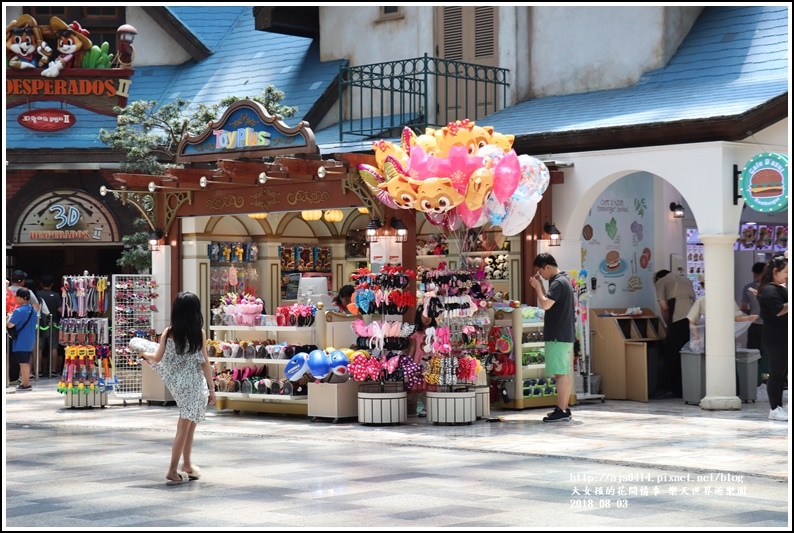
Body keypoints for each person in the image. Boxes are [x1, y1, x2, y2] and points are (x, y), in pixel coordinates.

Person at [131, 291, 217, 484]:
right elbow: (204, 362)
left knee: (187, 425)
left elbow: (158, 358)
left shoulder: (169, 332)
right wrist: (212, 390)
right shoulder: (199, 333)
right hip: (196, 384)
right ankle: (173, 470)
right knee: (187, 426)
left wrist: (145, 353)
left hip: (179, 385)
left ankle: (185, 465)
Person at [528, 253, 576, 422]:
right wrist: (541, 284)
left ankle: (562, 410)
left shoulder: (558, 283)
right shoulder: (564, 281)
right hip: (564, 334)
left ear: (547, 267)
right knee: (564, 373)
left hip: (558, 335)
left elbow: (546, 304)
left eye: (540, 271)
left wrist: (537, 287)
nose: (540, 275)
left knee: (561, 373)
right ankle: (564, 408)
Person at [654, 269, 696, 398]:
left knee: (670, 354)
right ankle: (681, 389)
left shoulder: (661, 282)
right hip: (692, 320)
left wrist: (668, 326)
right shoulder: (686, 279)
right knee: (685, 355)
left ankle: (664, 388)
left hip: (678, 319)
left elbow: (664, 307)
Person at [756, 255, 788, 422]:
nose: (788, 276)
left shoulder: (779, 288)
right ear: (775, 271)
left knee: (782, 374)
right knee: (777, 374)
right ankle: (775, 408)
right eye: (786, 272)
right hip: (776, 338)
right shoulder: (769, 290)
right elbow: (779, 310)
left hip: (783, 336)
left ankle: (780, 407)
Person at [407, 304, 437, 417]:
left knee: (431, 384)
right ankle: (424, 406)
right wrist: (409, 360)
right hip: (419, 361)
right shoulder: (416, 333)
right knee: (419, 385)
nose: (427, 318)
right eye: (424, 316)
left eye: (429, 316)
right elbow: (413, 347)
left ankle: (431, 407)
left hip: (432, 360)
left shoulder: (435, 332)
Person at [7, 288, 39, 391]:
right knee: (26, 361)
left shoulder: (19, 310)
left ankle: (25, 384)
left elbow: (10, 324)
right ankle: (26, 382)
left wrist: (8, 318)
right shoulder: (33, 310)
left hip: (21, 340)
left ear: (21, 298)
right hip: (29, 339)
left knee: (23, 363)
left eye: (17, 296)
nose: (15, 298)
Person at [741, 262, 767, 384]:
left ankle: (754, 379)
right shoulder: (772, 287)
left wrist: (752, 314)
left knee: (752, 353)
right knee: (767, 354)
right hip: (769, 325)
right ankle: (766, 377)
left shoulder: (748, 288)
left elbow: (744, 307)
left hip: (754, 324)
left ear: (754, 273)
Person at [37, 274, 63, 378]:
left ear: (41, 284)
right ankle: (53, 370)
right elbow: (60, 310)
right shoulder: (56, 295)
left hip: (40, 324)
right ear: (52, 284)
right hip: (54, 323)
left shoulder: (37, 294)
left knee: (39, 347)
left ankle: (37, 370)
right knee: (54, 347)